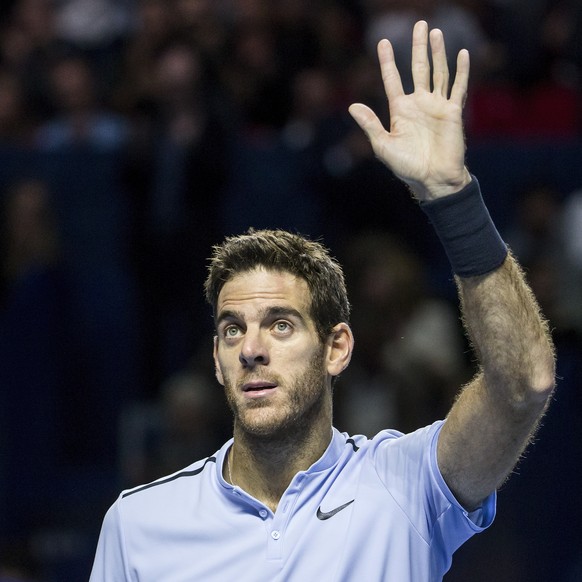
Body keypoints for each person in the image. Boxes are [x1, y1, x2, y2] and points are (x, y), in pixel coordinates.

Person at [89, 21, 556, 581]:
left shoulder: (407, 485)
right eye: (233, 329)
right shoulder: (138, 524)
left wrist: (453, 197)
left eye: (280, 325)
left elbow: (523, 381)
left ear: (337, 347)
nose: (251, 349)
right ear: (215, 358)